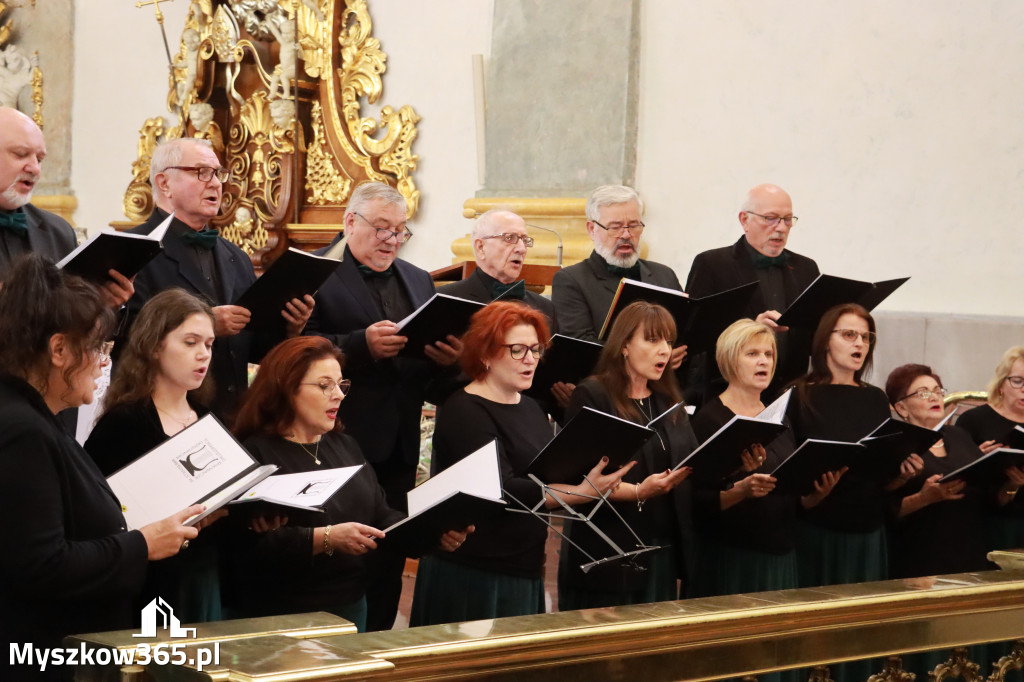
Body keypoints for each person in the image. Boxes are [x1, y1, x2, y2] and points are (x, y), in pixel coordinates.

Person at [0, 255, 200, 682]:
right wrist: (143, 543)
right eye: (96, 347)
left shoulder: (35, 420)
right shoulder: (22, 431)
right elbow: (40, 565)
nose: (104, 361)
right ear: (58, 350)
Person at [409, 302, 635, 625]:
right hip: (474, 571)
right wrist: (582, 492)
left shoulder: (530, 407)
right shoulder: (464, 409)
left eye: (535, 349)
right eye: (517, 350)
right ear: (485, 354)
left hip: (524, 564)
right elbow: (505, 489)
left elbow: (546, 472)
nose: (530, 359)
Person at [228, 336, 467, 631]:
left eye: (341, 385)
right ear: (286, 387)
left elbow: (381, 517)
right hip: (283, 614)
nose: (339, 395)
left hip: (351, 606)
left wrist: (433, 531)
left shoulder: (345, 445)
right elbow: (246, 548)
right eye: (325, 385)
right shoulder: (255, 454)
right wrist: (327, 537)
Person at [304, 181, 461, 630]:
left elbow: (421, 361)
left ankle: (380, 650)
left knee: (387, 555)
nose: (391, 240)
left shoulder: (417, 278)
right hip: (337, 440)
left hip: (400, 443)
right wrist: (361, 345)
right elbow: (295, 350)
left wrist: (447, 362)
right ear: (350, 222)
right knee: (343, 557)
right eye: (381, 229)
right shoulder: (314, 271)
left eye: (400, 231)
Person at [125, 138, 313, 420]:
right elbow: (124, 333)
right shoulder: (134, 248)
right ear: (164, 183)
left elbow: (253, 347)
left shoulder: (235, 256)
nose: (215, 183)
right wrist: (205, 323)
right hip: (157, 414)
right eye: (201, 172)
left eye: (218, 173)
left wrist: (289, 327)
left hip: (230, 414)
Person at [84, 288, 224, 623]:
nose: (203, 354)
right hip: (148, 586)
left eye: (209, 344)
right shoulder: (124, 423)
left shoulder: (207, 419)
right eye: (190, 342)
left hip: (204, 577)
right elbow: (97, 515)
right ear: (155, 346)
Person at [557, 301, 695, 609]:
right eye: (653, 339)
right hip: (609, 551)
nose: (664, 350)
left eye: (669, 342)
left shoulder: (668, 399)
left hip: (660, 547)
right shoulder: (593, 394)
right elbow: (577, 476)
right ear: (624, 346)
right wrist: (638, 492)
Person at [690, 319, 801, 600]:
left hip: (781, 548)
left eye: (768, 354)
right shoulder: (709, 419)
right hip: (733, 554)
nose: (763, 361)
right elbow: (695, 498)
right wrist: (740, 490)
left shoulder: (780, 417)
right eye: (752, 354)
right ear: (729, 359)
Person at [786, 303, 892, 589]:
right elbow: (786, 464)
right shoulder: (800, 394)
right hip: (817, 525)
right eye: (848, 334)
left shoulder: (876, 398)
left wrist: (903, 471)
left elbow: (883, 464)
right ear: (825, 341)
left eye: (866, 336)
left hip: (868, 525)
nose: (859, 343)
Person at [685, 184, 819, 403]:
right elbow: (695, 336)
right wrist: (751, 330)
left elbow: (812, 333)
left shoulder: (806, 268)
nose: (781, 228)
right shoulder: (712, 264)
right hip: (728, 394)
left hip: (791, 395)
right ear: (744, 220)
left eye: (787, 219)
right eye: (771, 218)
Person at [0, 106, 133, 300]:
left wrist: (99, 304)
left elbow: (71, 320)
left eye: (39, 159)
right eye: (21, 154)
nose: (35, 168)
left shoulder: (58, 231)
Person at [551, 185, 687, 369]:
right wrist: (650, 358)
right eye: (615, 227)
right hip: (608, 388)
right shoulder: (571, 280)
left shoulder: (664, 275)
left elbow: (683, 333)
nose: (626, 235)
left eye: (634, 225)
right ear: (592, 229)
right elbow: (581, 348)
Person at [883, 364, 992, 579]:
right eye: (923, 393)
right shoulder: (895, 444)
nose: (934, 397)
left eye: (937, 391)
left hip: (970, 550)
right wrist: (923, 499)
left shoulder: (959, 435)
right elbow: (882, 509)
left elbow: (982, 484)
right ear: (902, 408)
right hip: (920, 556)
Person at [955, 345, 1024, 551]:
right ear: (1001, 385)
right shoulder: (975, 420)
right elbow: (955, 469)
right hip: (987, 521)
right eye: (1018, 381)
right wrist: (976, 457)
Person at [438, 208, 555, 323]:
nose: (522, 249)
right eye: (509, 238)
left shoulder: (545, 309)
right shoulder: (444, 301)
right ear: (481, 248)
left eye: (524, 240)